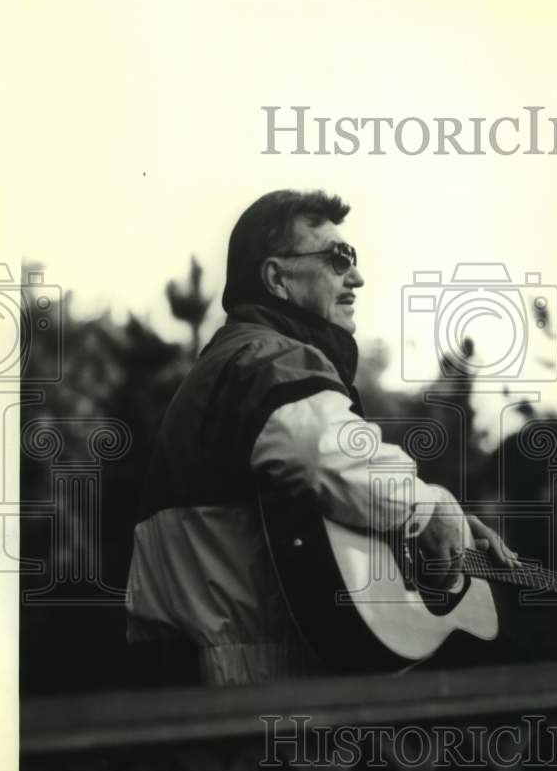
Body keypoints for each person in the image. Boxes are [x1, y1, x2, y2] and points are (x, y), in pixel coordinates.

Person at [126, 189, 516, 686]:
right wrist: (431, 510)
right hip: (250, 677)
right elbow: (332, 458)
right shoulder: (270, 359)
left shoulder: (234, 360)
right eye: (337, 258)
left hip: (212, 670)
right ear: (276, 278)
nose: (356, 276)